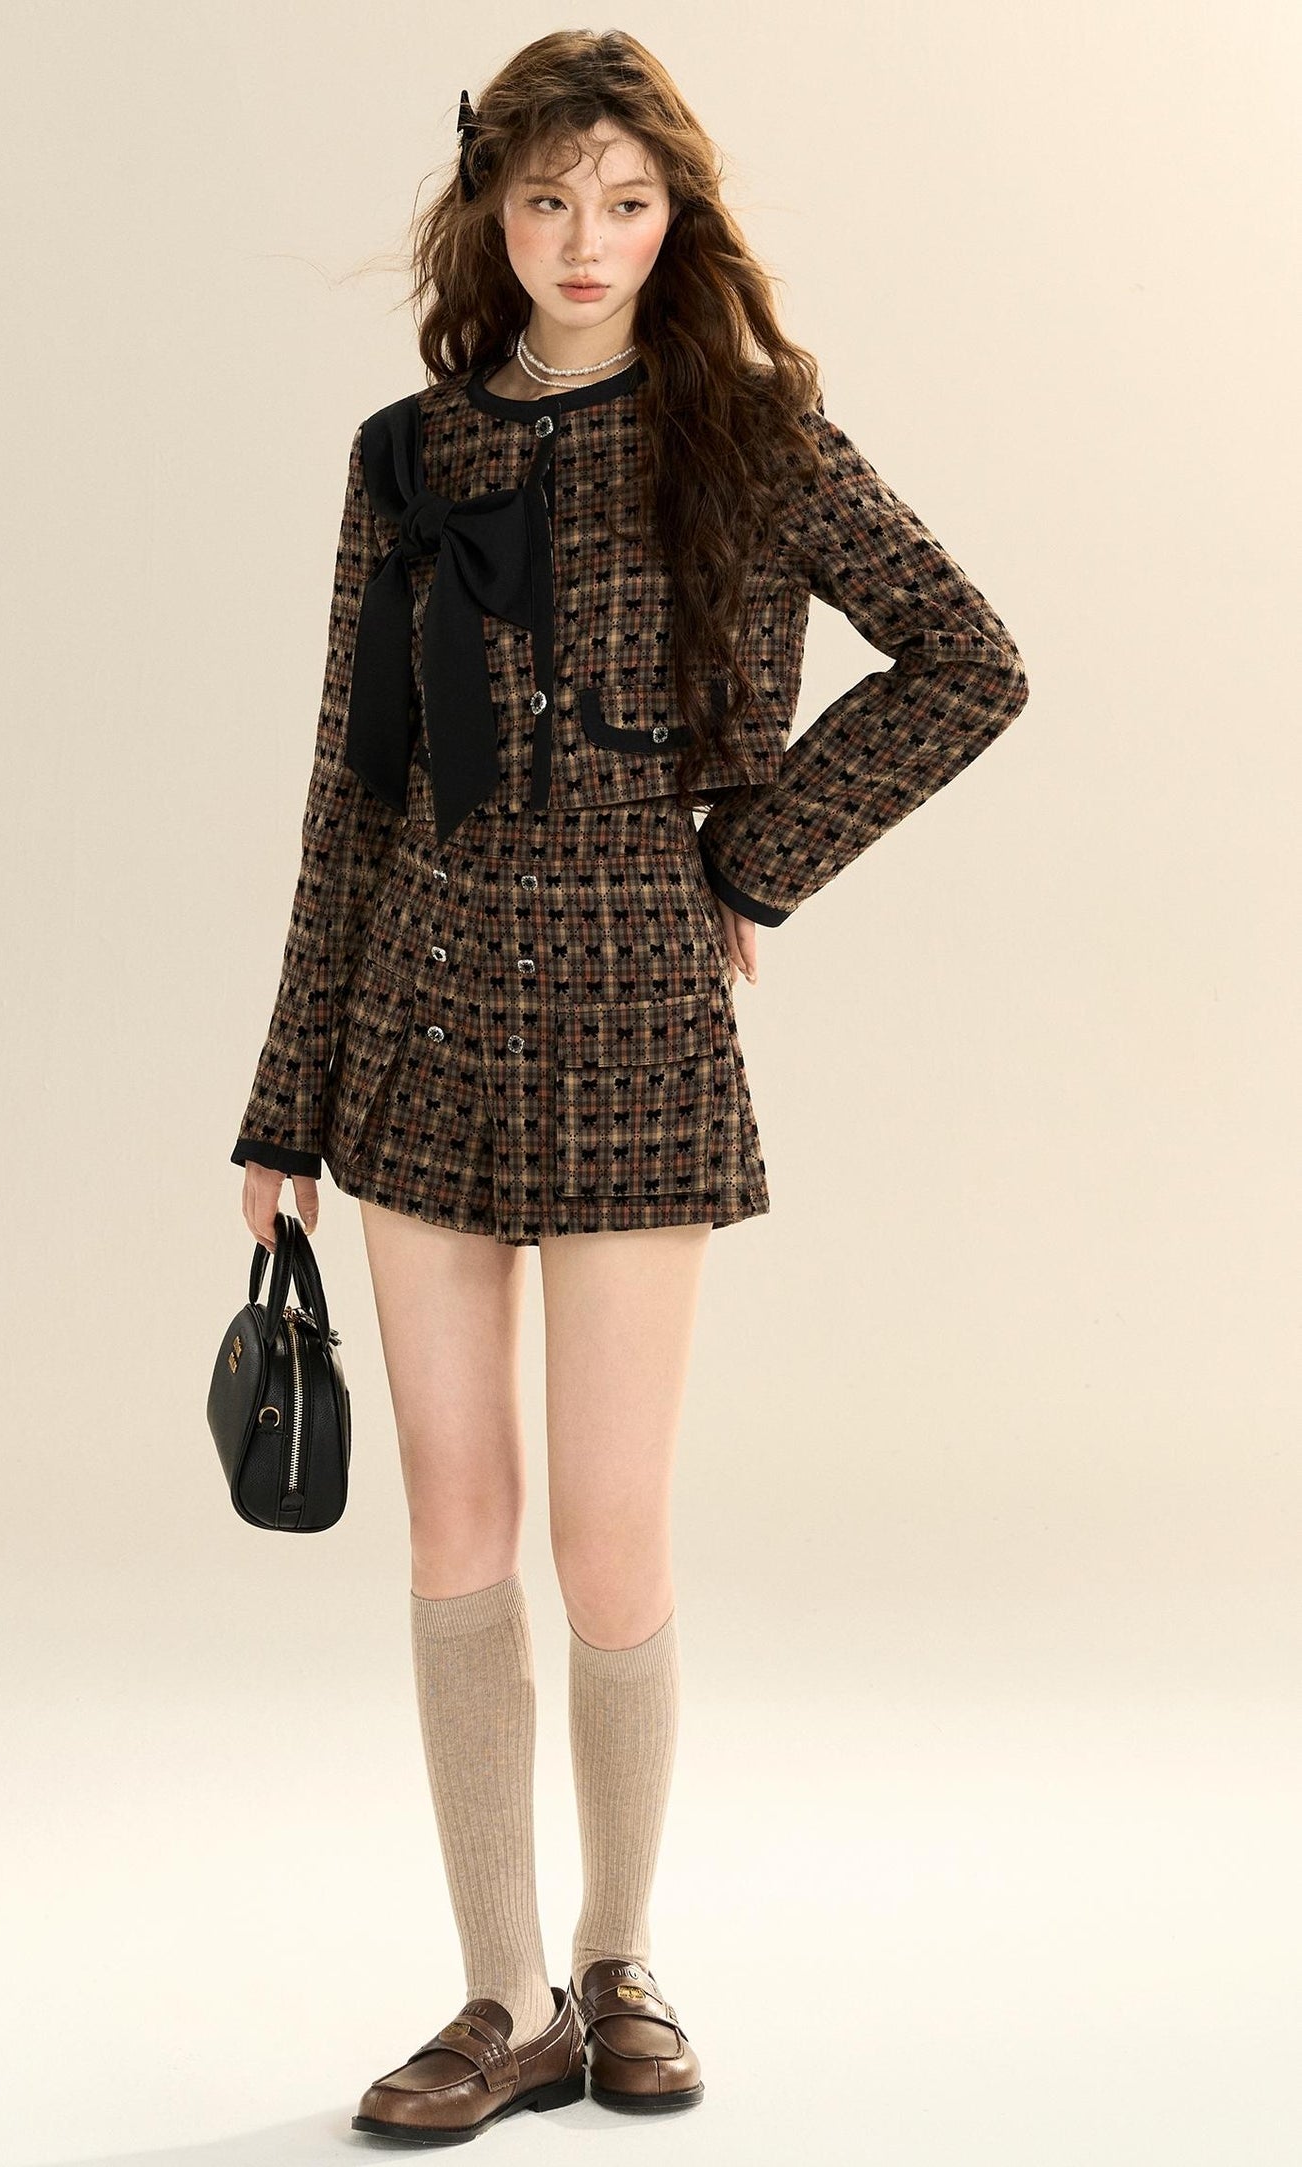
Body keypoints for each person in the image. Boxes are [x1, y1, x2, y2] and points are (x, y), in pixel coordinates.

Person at [230, 28, 1029, 2145]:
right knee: (456, 1515)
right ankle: (500, 1998)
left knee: (607, 1528)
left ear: (676, 217)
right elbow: (349, 788)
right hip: (416, 1009)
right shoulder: (406, 454)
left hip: (636, 1007)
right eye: (546, 200)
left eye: (626, 202)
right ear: (489, 213)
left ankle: (618, 1955)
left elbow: (968, 660)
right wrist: (281, 1105)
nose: (584, 241)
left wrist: (752, 858)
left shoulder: (747, 435)